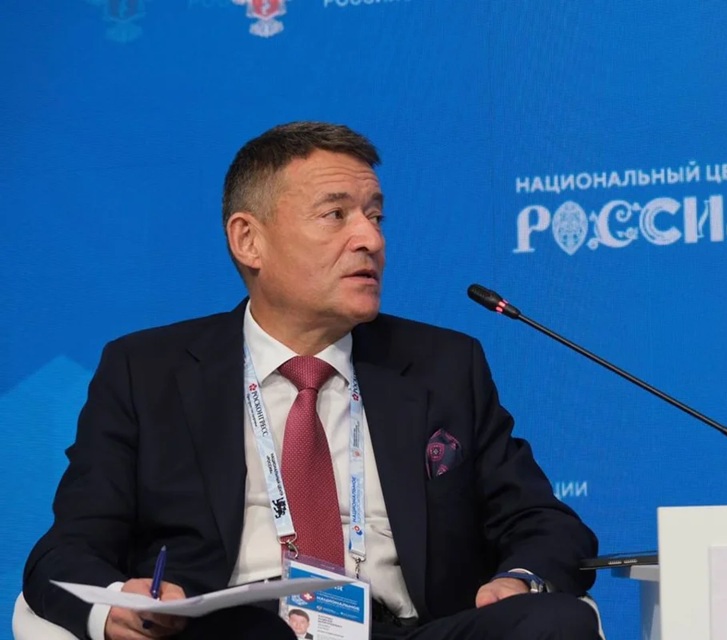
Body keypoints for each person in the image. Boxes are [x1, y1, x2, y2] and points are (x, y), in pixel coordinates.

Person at [23, 122, 601, 640]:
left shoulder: (443, 365)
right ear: (248, 240)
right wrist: (117, 606)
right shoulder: (147, 373)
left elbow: (543, 522)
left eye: (375, 216)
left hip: (408, 628)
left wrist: (520, 579)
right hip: (238, 628)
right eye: (336, 215)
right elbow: (65, 550)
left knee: (557, 622)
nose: (370, 239)